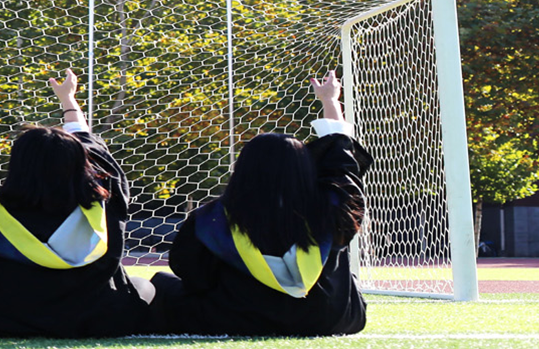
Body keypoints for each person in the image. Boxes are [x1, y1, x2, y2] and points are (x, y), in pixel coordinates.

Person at [0, 69, 153, 338]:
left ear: (17, 164)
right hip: (97, 317)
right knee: (145, 286)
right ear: (80, 162)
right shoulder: (105, 198)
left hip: (14, 318)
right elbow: (95, 150)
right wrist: (69, 102)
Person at [151, 71, 373, 336]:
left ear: (242, 169)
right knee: (347, 280)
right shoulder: (330, 210)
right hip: (326, 319)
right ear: (306, 170)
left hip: (233, 319)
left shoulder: (210, 219)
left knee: (162, 285)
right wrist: (330, 102)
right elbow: (341, 167)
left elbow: (191, 273)